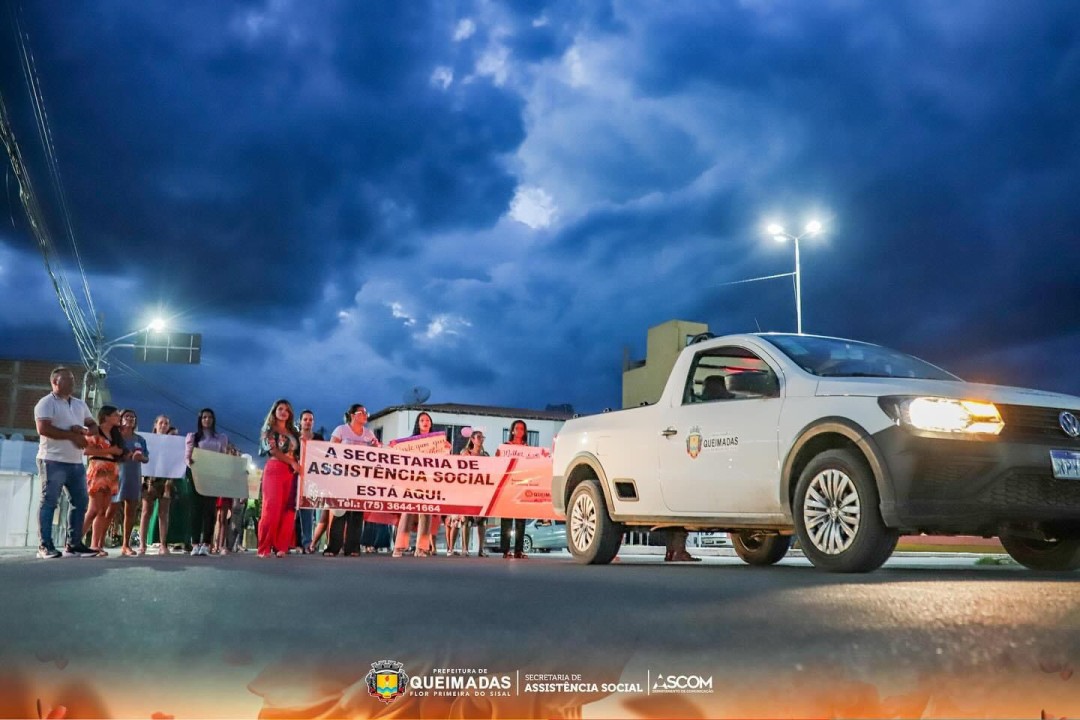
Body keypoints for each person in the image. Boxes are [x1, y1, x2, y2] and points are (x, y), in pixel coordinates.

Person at [33, 367, 97, 558]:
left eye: (72, 379)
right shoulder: (45, 403)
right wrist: (72, 435)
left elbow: (93, 426)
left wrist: (84, 431)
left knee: (80, 501)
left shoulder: (79, 404)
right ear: (55, 382)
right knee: (50, 502)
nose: (72, 383)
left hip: (76, 462)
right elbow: (43, 428)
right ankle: (45, 546)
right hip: (52, 460)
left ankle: (74, 544)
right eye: (67, 380)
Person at [391, 411, 447, 558]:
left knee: (426, 513)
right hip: (412, 480)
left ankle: (421, 548)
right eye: (422, 420)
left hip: (429, 481)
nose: (425, 422)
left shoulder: (437, 442)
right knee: (407, 511)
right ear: (418, 423)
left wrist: (446, 447)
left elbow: (445, 457)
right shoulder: (411, 442)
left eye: (428, 420)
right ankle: (399, 546)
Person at [325, 404, 379, 556]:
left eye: (366, 412)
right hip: (342, 476)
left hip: (360, 479)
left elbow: (376, 454)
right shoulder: (341, 430)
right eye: (361, 412)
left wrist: (376, 446)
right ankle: (333, 547)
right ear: (352, 415)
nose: (365, 414)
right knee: (339, 512)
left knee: (356, 513)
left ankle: (353, 547)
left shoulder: (369, 434)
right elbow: (331, 451)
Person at [258, 399, 302, 559]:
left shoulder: (293, 433)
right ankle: (264, 547)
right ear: (274, 411)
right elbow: (272, 450)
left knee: (288, 509)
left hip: (291, 472)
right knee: (272, 508)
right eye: (280, 409)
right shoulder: (268, 430)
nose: (284, 412)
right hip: (275, 469)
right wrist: (291, 462)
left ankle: (281, 546)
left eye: (287, 410)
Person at [82, 406, 126, 557]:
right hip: (98, 468)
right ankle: (74, 541)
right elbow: (87, 450)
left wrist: (120, 453)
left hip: (112, 470)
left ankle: (95, 544)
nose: (118, 417)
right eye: (115, 415)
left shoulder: (116, 434)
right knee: (94, 508)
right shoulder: (96, 431)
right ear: (106, 417)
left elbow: (119, 451)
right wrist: (110, 451)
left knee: (103, 510)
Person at [185, 408, 229, 556]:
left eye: (210, 417)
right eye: (204, 417)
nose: (207, 420)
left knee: (209, 509)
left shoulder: (220, 438)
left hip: (212, 474)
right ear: (200, 420)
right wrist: (190, 460)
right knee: (195, 509)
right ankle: (195, 543)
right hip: (196, 473)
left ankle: (206, 543)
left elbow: (223, 456)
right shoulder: (193, 437)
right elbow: (187, 455)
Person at [112, 409, 148, 556]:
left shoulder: (140, 439)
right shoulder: (116, 436)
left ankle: (126, 545)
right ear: (121, 418)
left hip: (133, 475)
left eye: (133, 417)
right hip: (116, 474)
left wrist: (141, 458)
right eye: (127, 416)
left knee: (130, 510)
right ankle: (98, 542)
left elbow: (146, 458)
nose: (130, 418)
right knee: (110, 510)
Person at [139, 414, 174, 555]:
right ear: (155, 425)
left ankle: (163, 544)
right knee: (146, 511)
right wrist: (143, 478)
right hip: (150, 479)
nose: (163, 425)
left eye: (166, 423)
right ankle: (142, 544)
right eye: (161, 423)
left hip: (165, 479)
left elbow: (175, 462)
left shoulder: (173, 443)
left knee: (164, 513)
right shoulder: (147, 440)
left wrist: (170, 481)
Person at [498, 419, 530, 559]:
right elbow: (497, 461)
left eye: (522, 428)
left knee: (521, 520)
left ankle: (519, 550)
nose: (519, 431)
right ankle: (505, 550)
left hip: (522, 486)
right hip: (507, 486)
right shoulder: (505, 446)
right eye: (517, 428)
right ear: (512, 431)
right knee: (506, 520)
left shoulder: (528, 448)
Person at [457, 428, 489, 557]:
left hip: (481, 492)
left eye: (482, 437)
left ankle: (481, 549)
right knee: (466, 520)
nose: (481, 440)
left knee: (482, 521)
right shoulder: (465, 454)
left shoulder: (486, 456)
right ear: (472, 439)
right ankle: (465, 548)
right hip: (468, 491)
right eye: (479, 437)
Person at [295, 409, 323, 553]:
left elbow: (323, 457)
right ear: (300, 422)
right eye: (305, 419)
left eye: (310, 419)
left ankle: (307, 543)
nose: (308, 422)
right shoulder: (293, 437)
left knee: (307, 511)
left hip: (311, 480)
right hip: (294, 475)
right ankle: (292, 543)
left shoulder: (318, 438)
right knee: (292, 510)